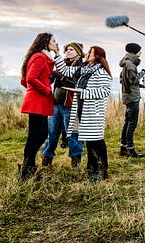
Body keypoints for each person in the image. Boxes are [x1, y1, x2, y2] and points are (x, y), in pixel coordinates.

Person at [54, 46, 113, 181]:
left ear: (97, 56)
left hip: (94, 112)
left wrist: (83, 93)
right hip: (82, 110)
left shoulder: (101, 72)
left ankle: (102, 170)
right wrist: (57, 54)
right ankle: (91, 169)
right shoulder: (83, 69)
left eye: (90, 52)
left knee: (96, 141)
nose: (86, 54)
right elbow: (64, 70)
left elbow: (105, 91)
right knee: (89, 141)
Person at [18, 32, 57, 180]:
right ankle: (27, 170)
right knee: (35, 136)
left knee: (42, 134)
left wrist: (50, 79)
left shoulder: (39, 56)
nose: (56, 44)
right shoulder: (40, 57)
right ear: (46, 42)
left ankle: (28, 166)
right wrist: (46, 90)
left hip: (38, 100)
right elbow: (30, 79)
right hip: (37, 102)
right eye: (53, 41)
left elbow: (25, 81)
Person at [41, 42, 84, 168]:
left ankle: (76, 161)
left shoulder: (81, 66)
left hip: (70, 105)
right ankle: (47, 158)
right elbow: (53, 81)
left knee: (72, 134)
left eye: (71, 49)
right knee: (52, 133)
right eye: (66, 50)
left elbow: (77, 84)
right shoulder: (62, 64)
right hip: (56, 104)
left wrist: (62, 77)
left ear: (78, 52)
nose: (68, 51)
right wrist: (51, 77)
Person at [119, 43, 145, 158]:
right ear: (135, 52)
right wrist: (142, 73)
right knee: (131, 124)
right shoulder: (130, 64)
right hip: (132, 97)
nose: (141, 52)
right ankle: (130, 150)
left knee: (127, 122)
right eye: (139, 51)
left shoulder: (126, 63)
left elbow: (123, 80)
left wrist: (138, 85)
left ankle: (123, 148)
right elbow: (132, 80)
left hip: (128, 95)